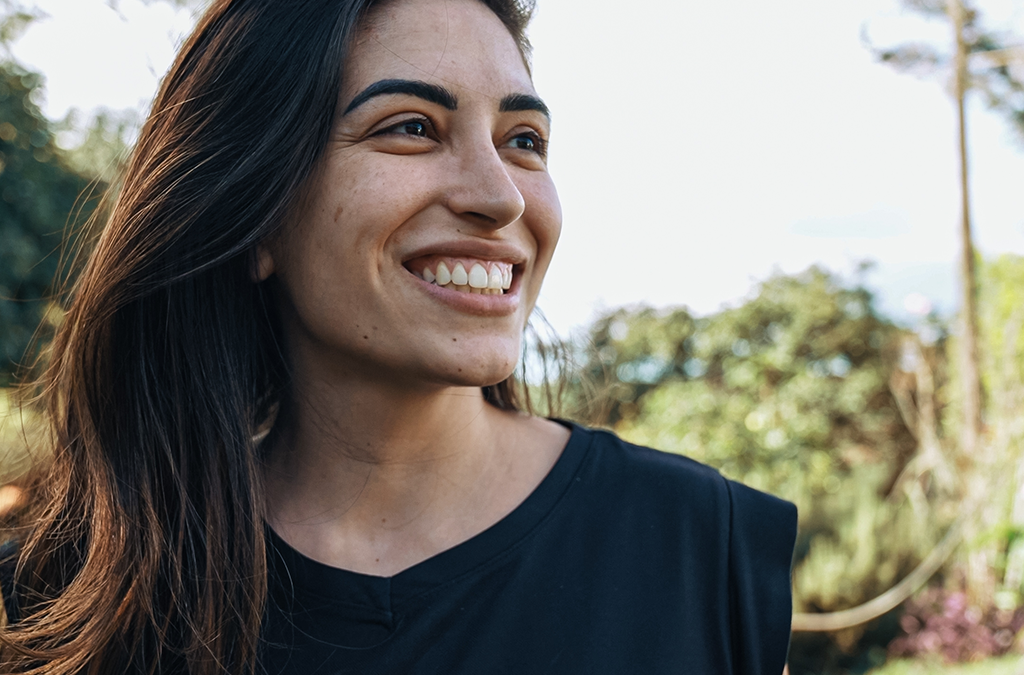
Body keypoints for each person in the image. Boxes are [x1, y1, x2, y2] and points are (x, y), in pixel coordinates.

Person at [0, 0, 798, 673]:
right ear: (255, 213)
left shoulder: (706, 551)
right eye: (413, 127)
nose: (501, 197)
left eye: (523, 139)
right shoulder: (63, 596)